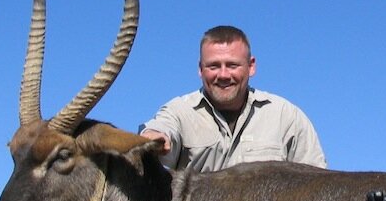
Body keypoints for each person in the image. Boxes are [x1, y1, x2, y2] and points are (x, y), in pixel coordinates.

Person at [139, 25, 326, 171]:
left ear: (251, 66)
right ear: (200, 69)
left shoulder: (286, 116)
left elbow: (317, 183)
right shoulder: (179, 111)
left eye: (232, 65)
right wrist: (153, 138)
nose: (223, 75)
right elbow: (162, 128)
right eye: (213, 66)